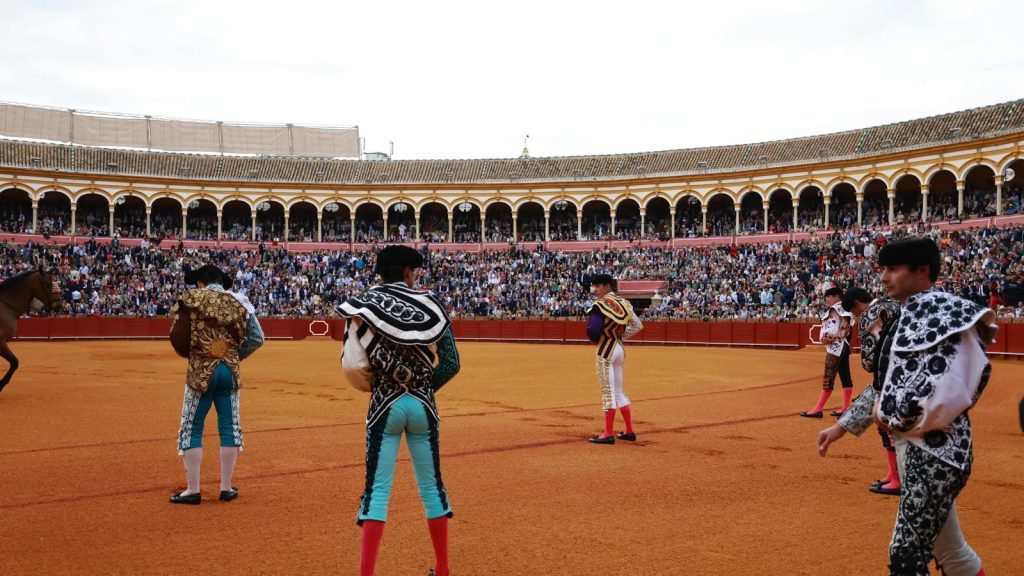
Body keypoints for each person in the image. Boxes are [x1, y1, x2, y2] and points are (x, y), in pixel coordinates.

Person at [817, 237, 995, 576]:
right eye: (883, 269)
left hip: (937, 454)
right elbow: (885, 383)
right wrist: (842, 426)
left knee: (906, 556)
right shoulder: (906, 316)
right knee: (951, 550)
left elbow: (967, 382)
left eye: (893, 269)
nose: (884, 278)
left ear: (922, 270)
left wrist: (893, 414)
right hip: (917, 449)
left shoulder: (945, 313)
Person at [339, 245, 461, 576]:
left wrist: (382, 386)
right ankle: (444, 568)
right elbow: (451, 363)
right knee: (431, 486)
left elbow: (352, 365)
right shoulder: (431, 305)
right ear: (408, 271)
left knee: (376, 491)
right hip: (423, 406)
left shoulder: (363, 307)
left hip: (384, 406)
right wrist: (421, 388)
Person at [169, 264, 264, 505]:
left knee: (192, 427)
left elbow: (178, 338)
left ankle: (193, 490)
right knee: (229, 426)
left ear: (200, 283)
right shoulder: (240, 301)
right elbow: (257, 338)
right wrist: (232, 355)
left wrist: (197, 353)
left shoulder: (191, 299)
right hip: (229, 372)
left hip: (201, 372)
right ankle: (226, 487)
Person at [839, 286, 902, 496]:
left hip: (888, 378)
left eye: (854, 312)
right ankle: (892, 473)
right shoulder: (893, 305)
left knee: (887, 427)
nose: (855, 317)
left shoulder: (868, 317)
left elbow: (869, 361)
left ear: (857, 304)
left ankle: (896, 479)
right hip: (908, 375)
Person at [586, 274, 644, 444]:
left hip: (606, 350)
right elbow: (638, 325)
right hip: (619, 349)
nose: (595, 289)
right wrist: (620, 336)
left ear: (607, 286)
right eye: (593, 286)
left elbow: (593, 329)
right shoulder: (624, 303)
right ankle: (629, 431)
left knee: (608, 392)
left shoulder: (600, 305)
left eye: (598, 286)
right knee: (618, 391)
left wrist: (603, 338)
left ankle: (608, 433)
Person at [800, 286, 854, 418]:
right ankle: (845, 408)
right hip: (840, 345)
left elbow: (847, 326)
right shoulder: (836, 309)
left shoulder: (840, 307)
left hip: (837, 346)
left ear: (837, 296)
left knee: (828, 377)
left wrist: (836, 337)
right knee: (845, 377)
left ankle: (818, 409)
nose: (827, 299)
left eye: (829, 296)